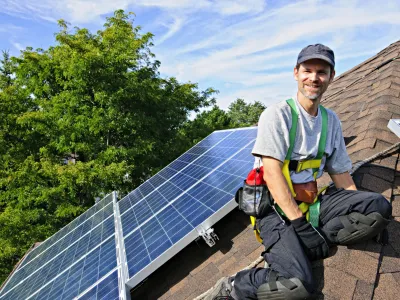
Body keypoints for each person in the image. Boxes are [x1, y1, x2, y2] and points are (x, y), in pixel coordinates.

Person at [208, 44, 392, 300]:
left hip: (311, 202)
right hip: (274, 210)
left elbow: (340, 174)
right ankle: (235, 286)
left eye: (321, 72)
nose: (314, 78)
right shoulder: (277, 116)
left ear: (331, 77)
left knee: (380, 208)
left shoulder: (331, 121)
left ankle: (306, 243)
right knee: (297, 286)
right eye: (307, 70)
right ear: (296, 73)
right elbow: (272, 174)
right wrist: (301, 226)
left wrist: (359, 209)